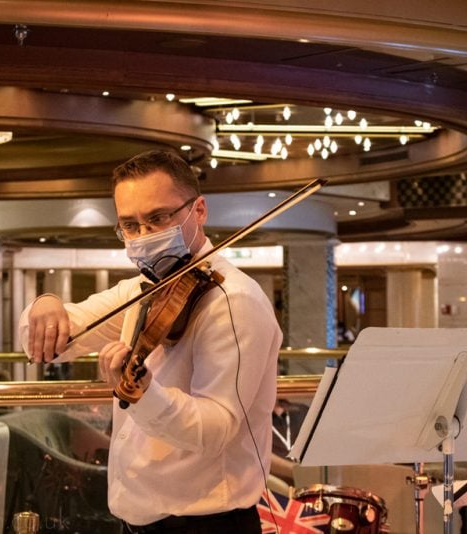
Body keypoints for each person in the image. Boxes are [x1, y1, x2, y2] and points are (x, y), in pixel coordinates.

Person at [20, 149, 282, 533]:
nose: (144, 236)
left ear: (199, 210)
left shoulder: (234, 301)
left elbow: (215, 428)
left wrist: (145, 395)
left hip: (205, 523)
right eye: (130, 225)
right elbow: (61, 332)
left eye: (158, 218)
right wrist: (44, 304)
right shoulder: (144, 290)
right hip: (142, 521)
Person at [269, 398, 309, 486]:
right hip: (277, 489)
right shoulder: (250, 419)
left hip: (314, 486)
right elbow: (259, 456)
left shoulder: (302, 411)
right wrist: (299, 471)